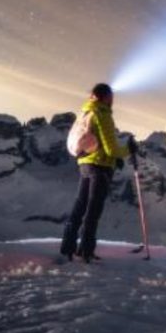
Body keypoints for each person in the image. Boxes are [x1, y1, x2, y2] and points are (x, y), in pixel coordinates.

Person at [60, 83, 137, 262]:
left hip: (85, 164)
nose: (113, 101)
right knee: (93, 210)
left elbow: (97, 143)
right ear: (106, 97)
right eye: (111, 97)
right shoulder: (102, 114)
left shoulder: (86, 112)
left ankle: (68, 247)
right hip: (100, 168)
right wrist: (128, 150)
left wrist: (113, 157)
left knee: (80, 206)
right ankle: (86, 251)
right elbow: (111, 149)